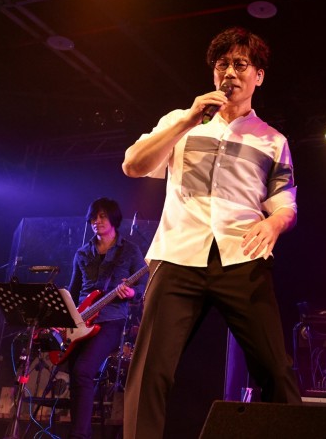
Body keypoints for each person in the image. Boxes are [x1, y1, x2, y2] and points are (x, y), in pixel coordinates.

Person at [121, 26, 301, 438]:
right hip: (179, 254)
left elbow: (285, 203)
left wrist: (274, 222)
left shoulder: (273, 140)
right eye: (223, 64)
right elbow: (133, 165)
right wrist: (187, 119)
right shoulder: (180, 122)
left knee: (276, 370)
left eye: (241, 64)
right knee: (149, 370)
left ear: (258, 75)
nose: (230, 73)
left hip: (243, 257)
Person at [66, 197, 147, 439]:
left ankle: (78, 436)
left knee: (83, 371)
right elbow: (73, 291)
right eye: (93, 217)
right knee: (76, 376)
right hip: (81, 321)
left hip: (111, 321)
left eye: (102, 216)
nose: (96, 221)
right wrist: (64, 320)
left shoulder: (129, 250)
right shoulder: (82, 253)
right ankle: (81, 432)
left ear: (113, 219)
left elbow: (144, 283)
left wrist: (131, 293)